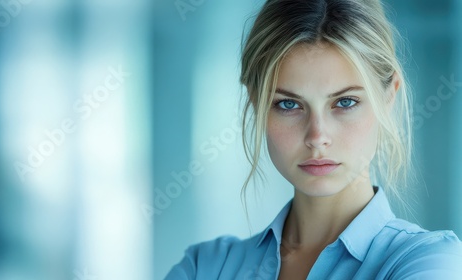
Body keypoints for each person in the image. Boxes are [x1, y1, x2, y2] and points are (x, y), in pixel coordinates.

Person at [164, 0, 462, 279]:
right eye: (289, 104)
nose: (317, 137)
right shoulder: (205, 267)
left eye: (345, 102)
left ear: (388, 97)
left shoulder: (429, 263)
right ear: (256, 103)